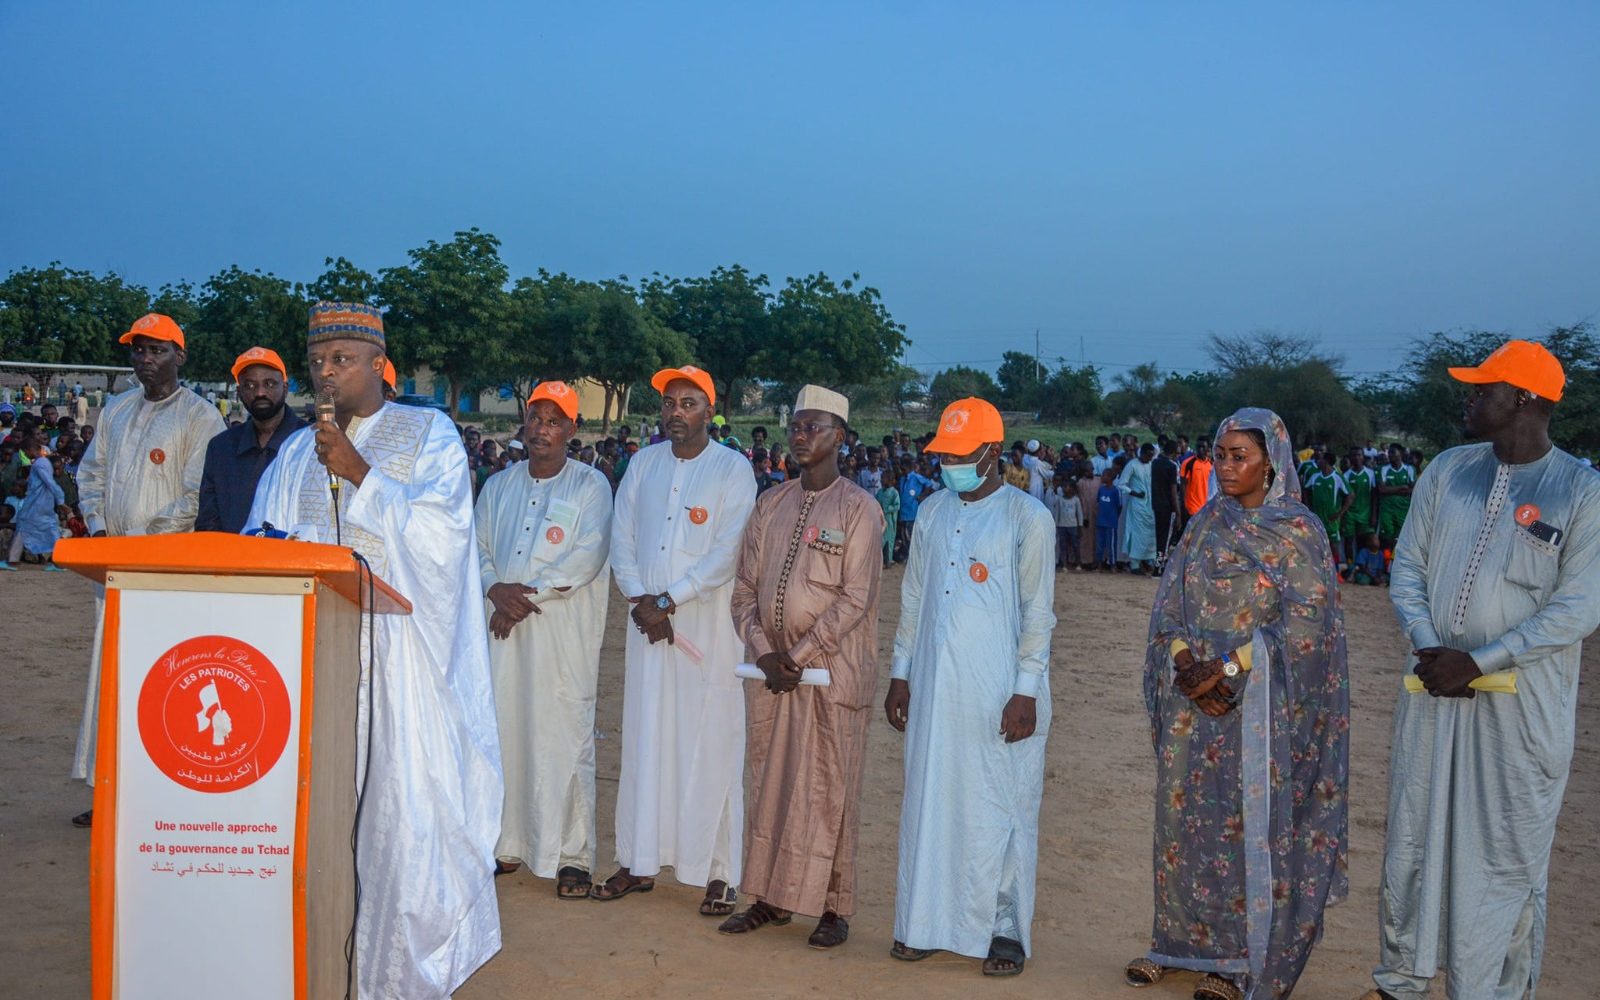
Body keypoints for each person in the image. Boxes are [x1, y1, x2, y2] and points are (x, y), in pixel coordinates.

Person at [246, 302, 502, 998]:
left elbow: (445, 539)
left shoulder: (429, 433)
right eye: (319, 362)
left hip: (399, 665)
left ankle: (394, 978)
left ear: (376, 363)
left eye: (343, 361)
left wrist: (362, 473)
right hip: (313, 662)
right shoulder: (298, 448)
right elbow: (260, 539)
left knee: (400, 823)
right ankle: (319, 965)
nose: (327, 375)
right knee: (315, 820)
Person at [1361, 341, 1600, 1000]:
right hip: (1432, 685)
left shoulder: (1581, 490)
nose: (1470, 400)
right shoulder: (1447, 470)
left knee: (1503, 852)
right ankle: (1400, 980)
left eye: (1482, 389)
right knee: (1413, 839)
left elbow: (1579, 609)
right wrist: (1433, 646)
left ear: (1523, 398)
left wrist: (1483, 662)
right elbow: (1408, 567)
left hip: (1519, 709)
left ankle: (1490, 989)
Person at [1126, 408, 1349, 1000]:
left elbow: (1308, 629)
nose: (1226, 466)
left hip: (1256, 709)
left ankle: (1239, 960)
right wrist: (1182, 663)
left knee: (1246, 824)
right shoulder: (1204, 524)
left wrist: (1226, 668)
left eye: (1239, 456)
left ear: (1271, 462)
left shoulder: (1300, 533)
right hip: (1192, 704)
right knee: (1181, 823)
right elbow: (1168, 607)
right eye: (1220, 454)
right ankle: (1178, 942)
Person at [885, 397, 1055, 977]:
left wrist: (1026, 689)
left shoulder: (1027, 518)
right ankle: (924, 921)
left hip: (1000, 691)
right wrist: (900, 674)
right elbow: (913, 599)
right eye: (943, 454)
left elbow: (1039, 613)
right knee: (933, 799)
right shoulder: (931, 511)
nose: (947, 464)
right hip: (934, 686)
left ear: (989, 453)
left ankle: (1004, 930)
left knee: (1001, 807)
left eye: (958, 454)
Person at [720, 385, 883, 949]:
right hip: (771, 673)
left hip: (831, 674)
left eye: (813, 426)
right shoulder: (770, 503)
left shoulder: (861, 509)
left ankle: (834, 907)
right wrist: (766, 651)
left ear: (840, 436)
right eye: (795, 425)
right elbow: (743, 589)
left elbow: (855, 598)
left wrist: (800, 654)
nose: (799, 435)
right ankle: (769, 897)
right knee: (770, 780)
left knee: (829, 788)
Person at [596, 364, 757, 916]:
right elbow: (622, 539)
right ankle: (638, 860)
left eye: (688, 403)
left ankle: (719, 872)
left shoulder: (733, 471)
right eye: (668, 403)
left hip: (706, 632)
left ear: (709, 412)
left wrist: (669, 600)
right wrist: (643, 599)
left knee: (710, 742)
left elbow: (726, 553)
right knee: (645, 739)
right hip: (647, 630)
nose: (675, 413)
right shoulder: (641, 464)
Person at [70, 313, 225, 827]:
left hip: (164, 574)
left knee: (162, 680)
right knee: (111, 675)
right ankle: (110, 791)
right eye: (138, 350)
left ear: (180, 356)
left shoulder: (201, 417)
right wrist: (98, 531)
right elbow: (90, 473)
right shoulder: (115, 410)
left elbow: (194, 496)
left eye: (157, 350)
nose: (145, 359)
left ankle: (160, 792)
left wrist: (144, 548)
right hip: (113, 569)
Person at [474, 380, 613, 899]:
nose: (542, 429)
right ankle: (506, 842)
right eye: (536, 418)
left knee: (565, 736)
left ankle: (573, 854)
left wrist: (519, 599)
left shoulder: (591, 486)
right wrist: (494, 588)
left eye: (555, 421)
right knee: (505, 731)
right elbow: (478, 547)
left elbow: (585, 559)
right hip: (503, 631)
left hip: (559, 635)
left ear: (572, 430)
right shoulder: (499, 485)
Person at [195, 347, 303, 534]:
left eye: (269, 384)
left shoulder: (309, 441)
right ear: (239, 392)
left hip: (295, 558)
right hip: (233, 559)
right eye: (250, 385)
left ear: (284, 388)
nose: (260, 392)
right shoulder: (221, 448)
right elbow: (208, 522)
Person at [0, 433, 68, 570]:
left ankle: (13, 561)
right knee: (46, 530)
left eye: (25, 452)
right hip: (42, 503)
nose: (26, 455)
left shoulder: (39, 464)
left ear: (30, 449)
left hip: (37, 504)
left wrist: (61, 501)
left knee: (27, 527)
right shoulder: (44, 462)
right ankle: (57, 561)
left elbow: (51, 483)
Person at [1304, 452, 1353, 571]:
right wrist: (1308, 508)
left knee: (1333, 545)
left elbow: (1350, 495)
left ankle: (1335, 570)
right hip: (1316, 517)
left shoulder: (1338, 477)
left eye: (1320, 459)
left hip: (1331, 519)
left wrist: (1340, 513)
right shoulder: (1315, 476)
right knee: (1315, 543)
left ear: (1325, 461)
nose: (1317, 461)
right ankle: (1317, 569)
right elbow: (1305, 490)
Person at [1118, 443, 1158, 574]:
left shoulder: (1152, 465)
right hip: (1137, 504)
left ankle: (1148, 559)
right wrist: (1134, 493)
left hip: (1151, 504)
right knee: (1136, 534)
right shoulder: (1132, 465)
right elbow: (1121, 484)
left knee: (1150, 533)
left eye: (1152, 456)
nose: (1150, 458)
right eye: (1148, 455)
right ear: (1142, 453)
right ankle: (1134, 563)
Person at [1342, 448, 1378, 568]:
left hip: (1365, 513)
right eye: (1353, 455)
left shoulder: (1370, 474)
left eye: (1359, 455)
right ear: (1350, 458)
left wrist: (1373, 515)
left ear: (1363, 457)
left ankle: (1362, 566)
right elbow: (1344, 497)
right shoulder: (1346, 475)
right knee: (1349, 541)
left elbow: (1374, 495)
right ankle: (1350, 566)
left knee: (1365, 541)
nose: (1356, 457)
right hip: (1350, 514)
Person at [1376, 444, 1416, 550]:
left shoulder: (1409, 469)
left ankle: (1396, 562)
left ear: (1401, 454)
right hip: (1387, 509)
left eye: (1393, 452)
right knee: (1387, 537)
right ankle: (1386, 563)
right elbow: (1381, 489)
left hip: (1403, 509)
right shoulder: (1383, 469)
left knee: (1401, 538)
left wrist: (1391, 489)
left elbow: (1413, 489)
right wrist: (1401, 487)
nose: (1389, 454)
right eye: (1389, 452)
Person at [895, 456, 934, 562]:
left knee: (911, 535)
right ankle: (909, 555)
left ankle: (914, 557)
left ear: (904, 467)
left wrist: (922, 496)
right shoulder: (902, 479)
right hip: (904, 512)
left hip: (912, 511)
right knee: (905, 535)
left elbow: (929, 484)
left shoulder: (916, 477)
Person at [1046, 474, 1083, 570]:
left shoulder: (1076, 500)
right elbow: (1057, 513)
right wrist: (1057, 525)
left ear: (1072, 489)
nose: (1063, 488)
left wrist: (1080, 526)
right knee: (1063, 545)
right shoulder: (1060, 500)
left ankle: (1078, 563)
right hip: (1062, 526)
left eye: (1066, 486)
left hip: (1073, 526)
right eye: (1063, 486)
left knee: (1075, 545)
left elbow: (1079, 515)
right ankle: (1064, 564)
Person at [1150, 443, 1180, 560]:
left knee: (1159, 536)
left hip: (1156, 505)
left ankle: (1158, 564)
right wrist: (1178, 512)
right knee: (1165, 538)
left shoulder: (1155, 463)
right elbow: (1173, 491)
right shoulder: (1172, 466)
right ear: (1172, 453)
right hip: (1167, 507)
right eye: (1177, 453)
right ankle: (1159, 566)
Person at [1095, 468, 1122, 570]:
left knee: (1111, 544)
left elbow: (1119, 506)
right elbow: (1098, 502)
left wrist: (1114, 517)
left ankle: (1113, 564)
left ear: (1110, 478)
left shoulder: (1116, 491)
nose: (1102, 477)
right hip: (1100, 521)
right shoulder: (1101, 489)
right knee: (1099, 544)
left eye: (1104, 475)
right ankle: (1099, 564)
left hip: (1111, 522)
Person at [877, 466, 901, 568]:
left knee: (889, 541)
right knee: (880, 540)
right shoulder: (880, 492)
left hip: (890, 521)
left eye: (884, 478)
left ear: (891, 481)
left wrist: (886, 508)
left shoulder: (894, 492)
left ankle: (889, 560)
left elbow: (897, 505)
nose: (882, 480)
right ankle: (879, 561)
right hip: (880, 520)